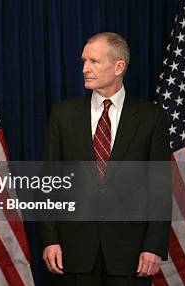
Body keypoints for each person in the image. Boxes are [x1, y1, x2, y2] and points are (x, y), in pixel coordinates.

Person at [40, 32, 171, 285]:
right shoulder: (63, 115)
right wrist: (50, 239)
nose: (85, 69)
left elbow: (160, 188)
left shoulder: (151, 117)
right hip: (74, 250)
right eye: (83, 62)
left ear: (118, 66)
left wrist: (154, 245)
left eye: (94, 61)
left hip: (130, 253)